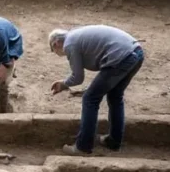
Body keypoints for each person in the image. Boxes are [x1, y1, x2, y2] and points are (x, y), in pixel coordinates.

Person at [48, 25, 144, 155]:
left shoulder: (69, 44)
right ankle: (114, 141)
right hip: (135, 52)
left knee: (90, 99)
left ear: (56, 43)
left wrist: (64, 84)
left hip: (120, 57)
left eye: (53, 50)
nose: (57, 54)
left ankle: (83, 147)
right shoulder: (75, 36)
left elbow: (78, 77)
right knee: (115, 96)